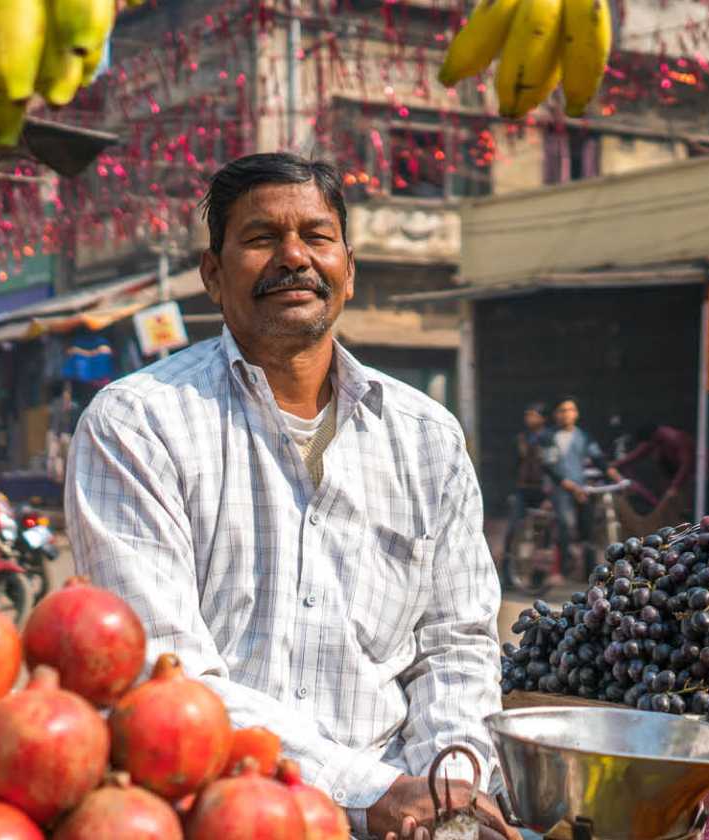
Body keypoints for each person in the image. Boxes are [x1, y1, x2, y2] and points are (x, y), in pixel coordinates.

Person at [64, 153, 509, 840]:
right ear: (213, 276)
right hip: (212, 810)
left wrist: (446, 786)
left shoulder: (428, 438)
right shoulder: (138, 423)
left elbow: (457, 647)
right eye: (262, 238)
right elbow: (165, 671)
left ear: (349, 270)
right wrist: (376, 791)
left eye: (316, 236)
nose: (294, 257)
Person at [540, 396, 604, 577]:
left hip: (581, 488)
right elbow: (548, 466)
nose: (567, 414)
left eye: (570, 410)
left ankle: (589, 573)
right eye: (562, 410)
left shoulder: (583, 436)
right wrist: (568, 485)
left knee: (588, 528)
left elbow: (597, 458)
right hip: (560, 488)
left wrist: (613, 473)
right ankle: (561, 570)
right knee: (566, 525)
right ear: (556, 415)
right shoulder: (549, 437)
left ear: (576, 414)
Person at [499, 402, 548, 587]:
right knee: (513, 530)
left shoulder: (549, 438)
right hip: (522, 490)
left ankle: (538, 577)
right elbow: (512, 466)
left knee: (543, 535)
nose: (529, 419)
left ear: (543, 418)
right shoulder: (521, 439)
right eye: (528, 415)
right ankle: (508, 575)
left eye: (534, 415)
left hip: (544, 492)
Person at [607, 421, 697, 514]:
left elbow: (686, 465)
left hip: (691, 475)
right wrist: (612, 464)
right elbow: (636, 454)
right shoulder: (656, 439)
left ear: (653, 436)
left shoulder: (674, 438)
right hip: (673, 474)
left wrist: (674, 486)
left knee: (684, 503)